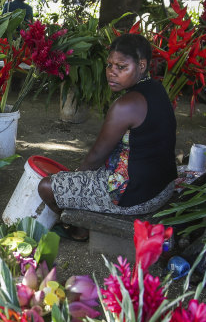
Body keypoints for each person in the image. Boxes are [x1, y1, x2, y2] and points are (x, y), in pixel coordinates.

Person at [38, 33, 177, 240]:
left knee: (47, 187)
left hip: (135, 197)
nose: (112, 72)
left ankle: (79, 229)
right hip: (163, 187)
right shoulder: (156, 89)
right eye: (109, 65)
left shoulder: (125, 105)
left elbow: (95, 156)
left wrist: (76, 180)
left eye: (121, 67)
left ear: (141, 65)